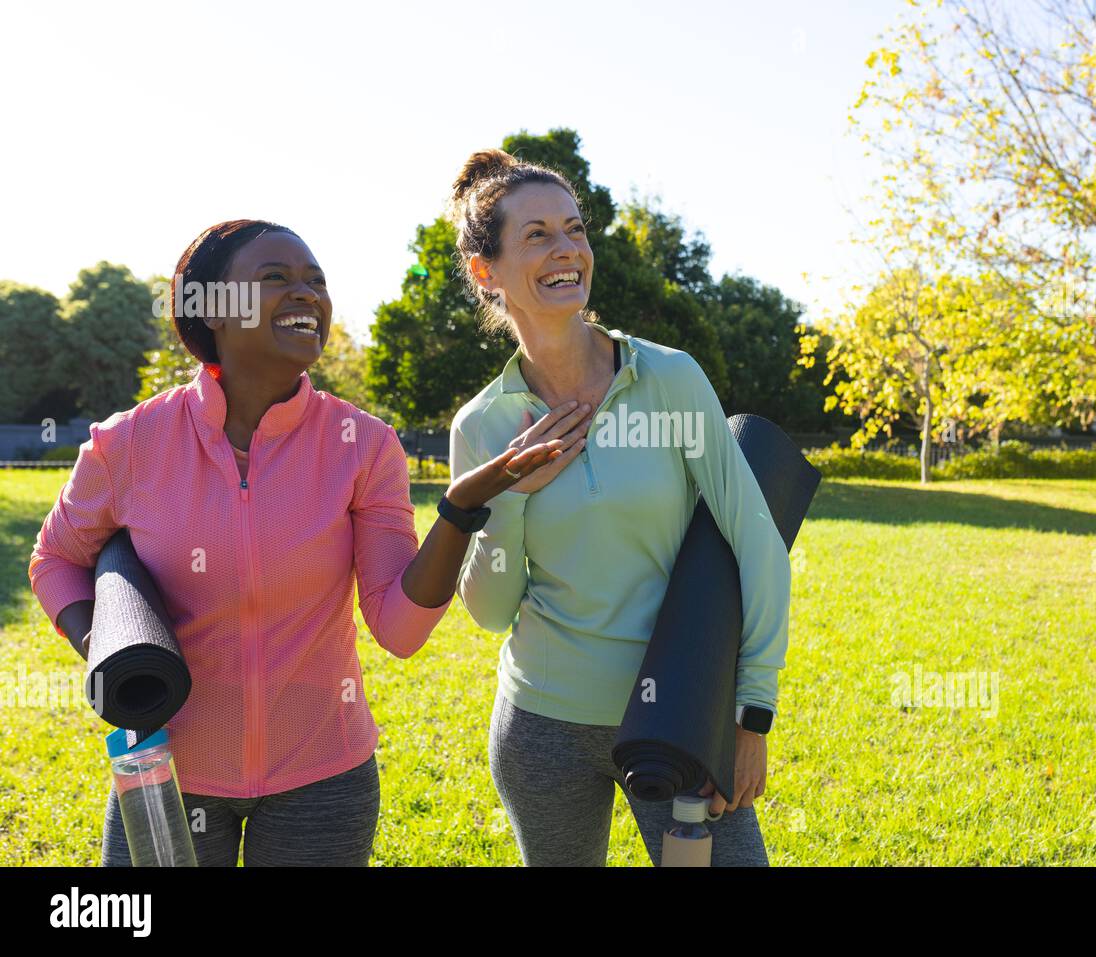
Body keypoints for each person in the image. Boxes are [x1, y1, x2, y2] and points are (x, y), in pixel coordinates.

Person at [27, 218, 580, 866]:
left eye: (316, 282)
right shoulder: (129, 442)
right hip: (161, 769)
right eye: (275, 279)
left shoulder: (363, 444)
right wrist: (109, 647)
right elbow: (56, 558)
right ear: (210, 308)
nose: (307, 295)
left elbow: (399, 629)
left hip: (323, 780)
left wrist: (459, 510)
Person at [447, 150, 792, 866]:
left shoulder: (669, 379)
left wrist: (750, 711)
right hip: (541, 725)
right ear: (488, 272)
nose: (567, 248)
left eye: (574, 229)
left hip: (681, 710)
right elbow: (488, 609)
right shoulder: (481, 424)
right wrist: (510, 493)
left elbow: (755, 538)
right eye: (536, 234)